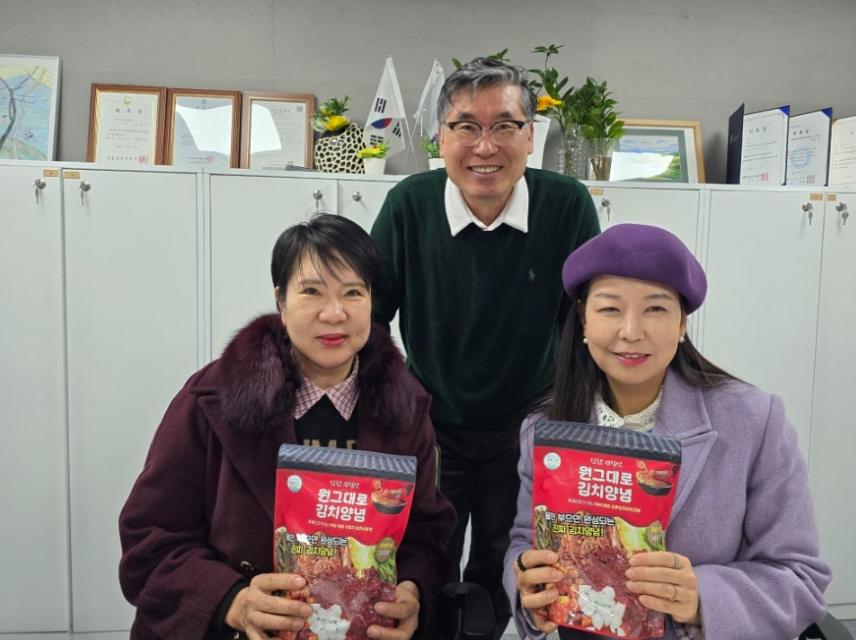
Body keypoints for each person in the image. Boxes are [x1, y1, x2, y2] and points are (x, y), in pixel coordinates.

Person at [119, 214, 455, 640]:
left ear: (373, 300)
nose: (334, 314)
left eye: (353, 293)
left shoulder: (406, 407)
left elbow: (426, 534)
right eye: (312, 291)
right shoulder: (211, 399)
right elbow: (148, 541)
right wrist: (232, 602)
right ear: (280, 300)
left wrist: (412, 590)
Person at [504, 223, 832, 640]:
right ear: (583, 320)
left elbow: (800, 577)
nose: (631, 331)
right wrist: (529, 588)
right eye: (610, 309)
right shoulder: (545, 429)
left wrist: (702, 598)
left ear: (681, 324)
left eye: (655, 309)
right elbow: (525, 539)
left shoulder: (753, 420)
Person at [370, 58, 600, 636]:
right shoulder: (409, 205)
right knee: (423, 556)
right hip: (430, 421)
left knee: (504, 561)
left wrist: (576, 422)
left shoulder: (566, 205)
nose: (485, 146)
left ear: (530, 135)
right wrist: (391, 410)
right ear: (441, 136)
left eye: (504, 126)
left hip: (527, 419)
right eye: (466, 126)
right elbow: (369, 318)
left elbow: (585, 322)